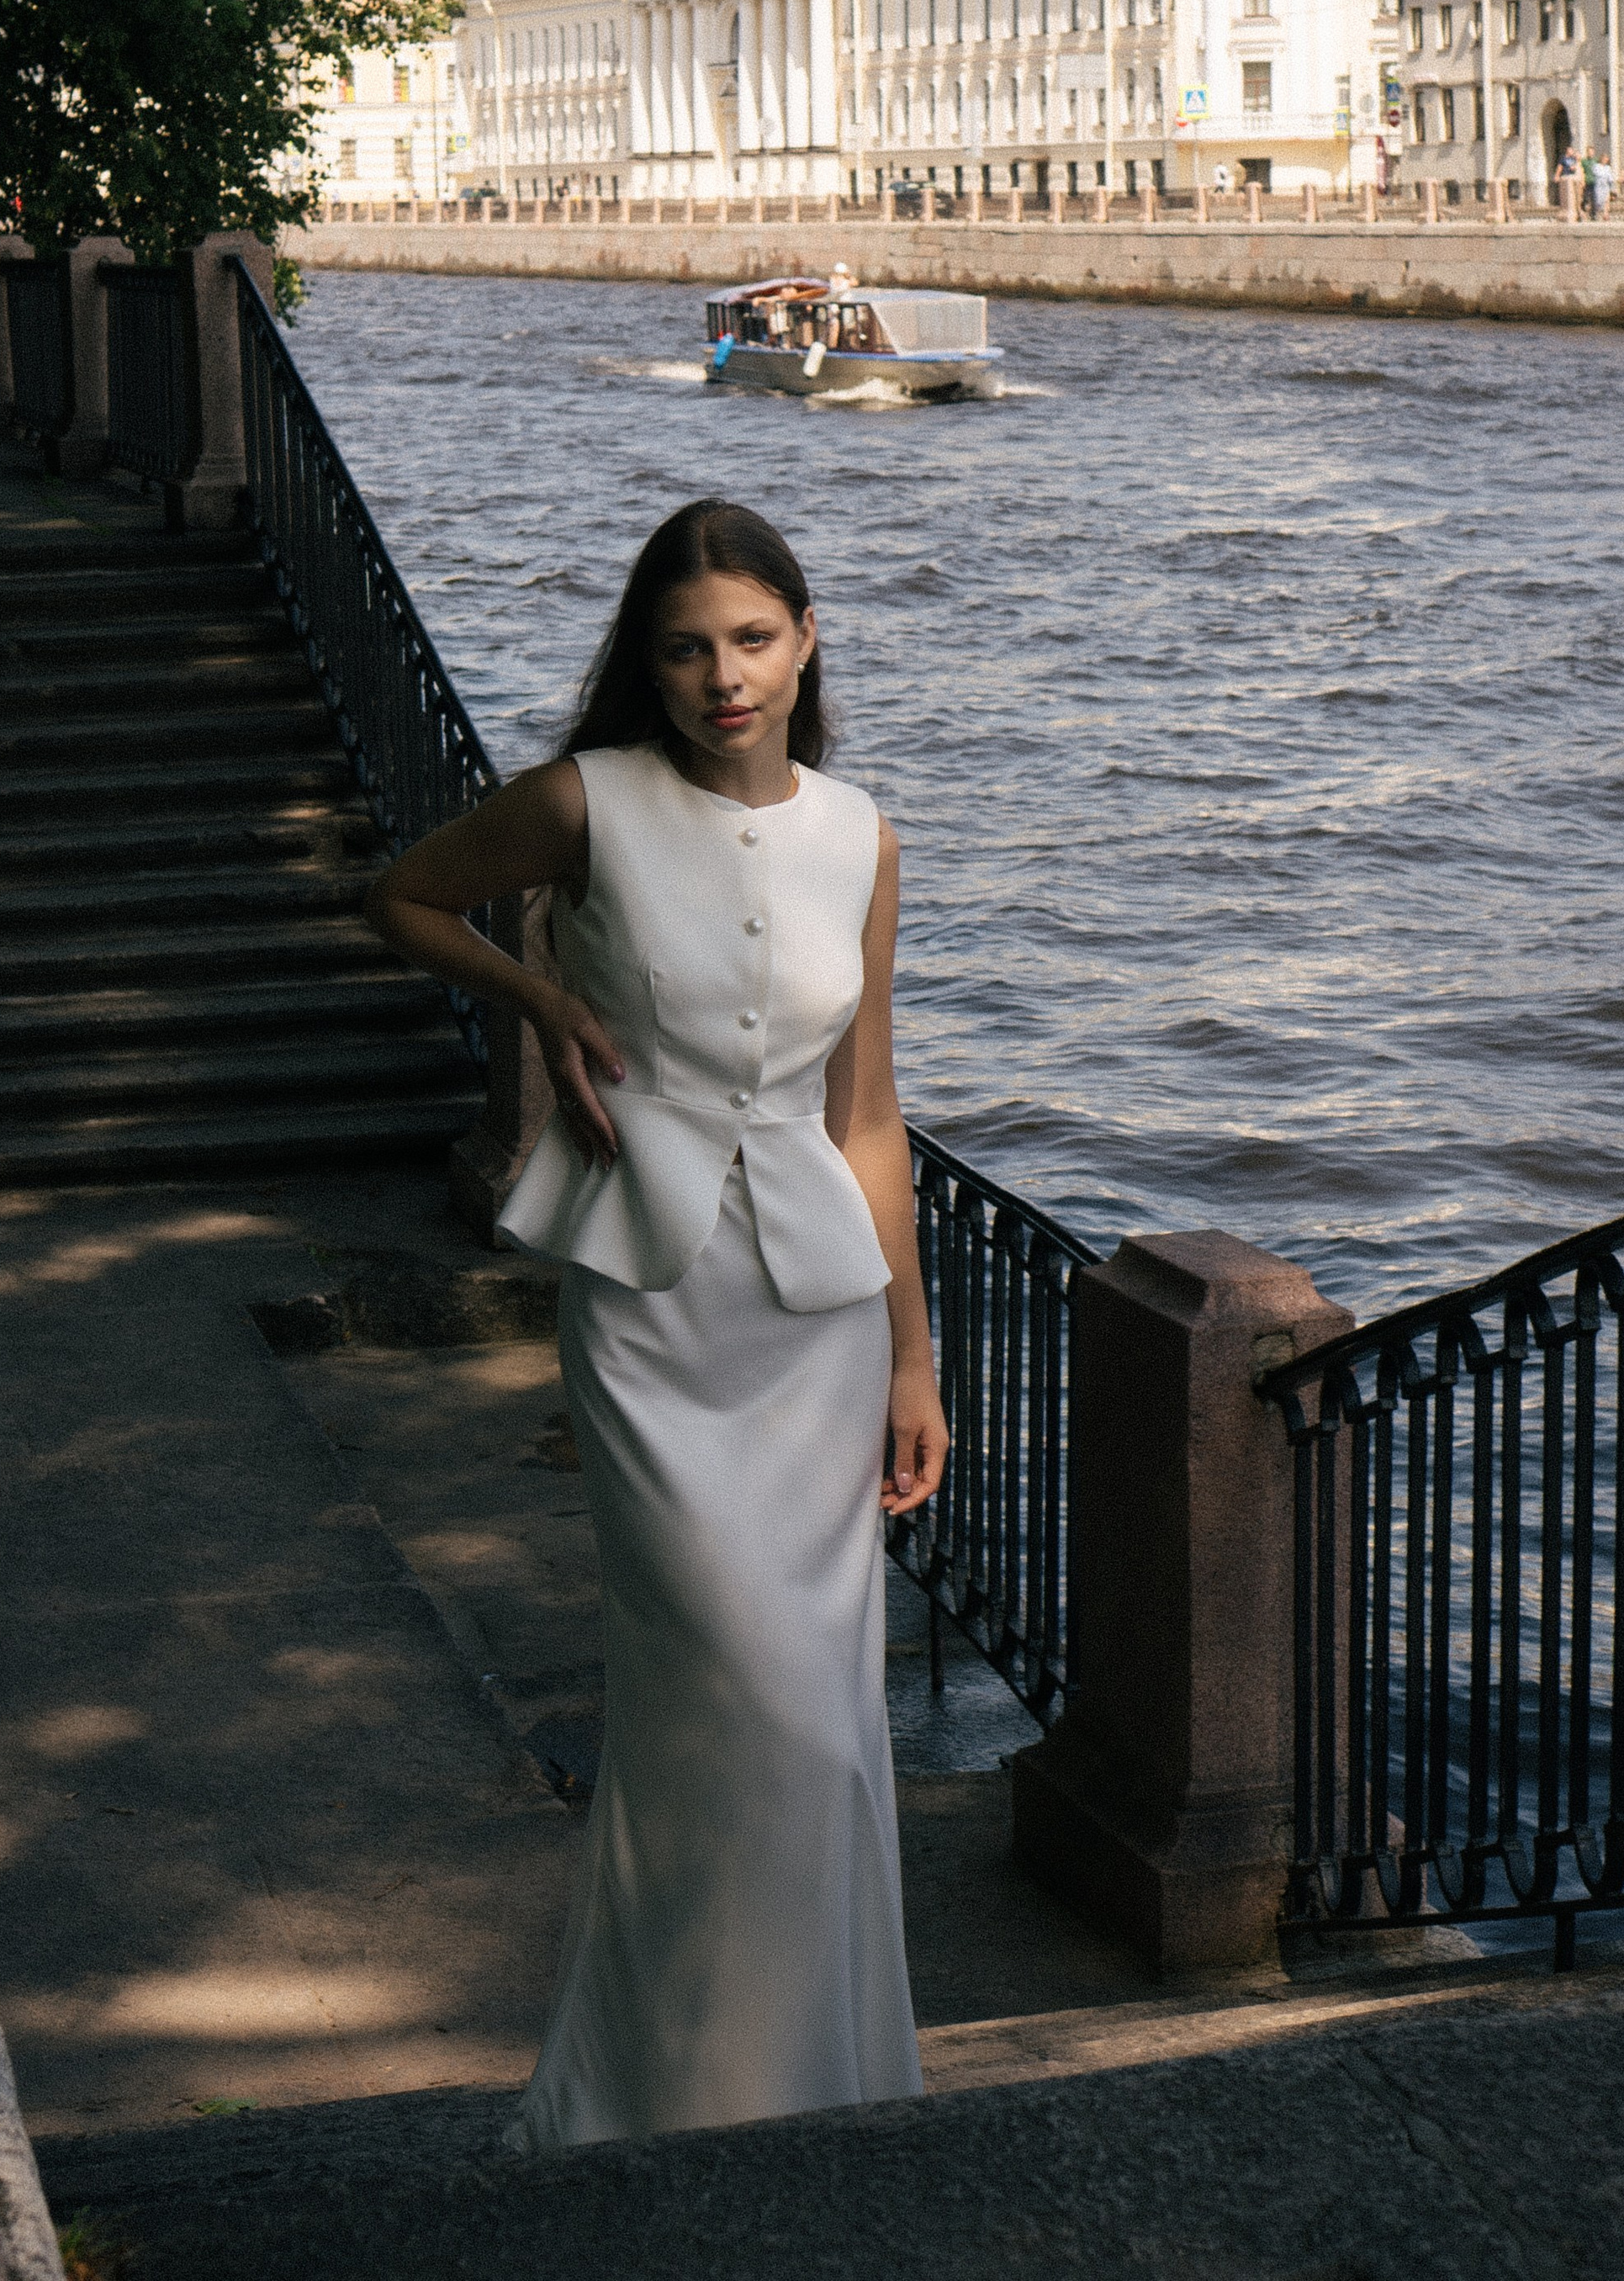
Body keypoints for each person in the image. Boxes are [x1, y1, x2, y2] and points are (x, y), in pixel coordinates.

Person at [364, 500, 946, 2150]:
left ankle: (804, 2091)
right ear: (650, 660)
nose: (722, 676)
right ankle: (657, 2103)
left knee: (822, 1736)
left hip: (818, 1330)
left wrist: (914, 1359)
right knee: (731, 1712)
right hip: (650, 1315)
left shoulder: (860, 837)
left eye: (752, 639)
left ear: (805, 641)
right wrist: (544, 1001)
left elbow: (868, 1118)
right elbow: (401, 899)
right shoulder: (584, 803)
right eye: (686, 648)